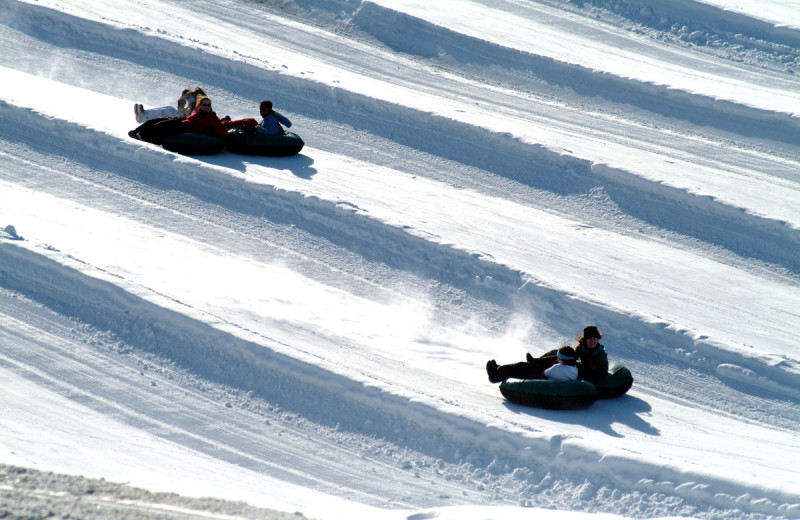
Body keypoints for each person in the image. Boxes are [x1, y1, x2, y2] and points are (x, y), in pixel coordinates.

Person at [486, 325, 608, 383]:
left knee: (522, 367)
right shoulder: (581, 347)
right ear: (585, 339)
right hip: (572, 367)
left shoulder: (600, 354)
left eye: (595, 338)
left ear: (598, 339)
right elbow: (569, 358)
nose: (593, 341)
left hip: (576, 373)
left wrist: (588, 367)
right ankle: (535, 361)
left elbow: (602, 372)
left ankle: (496, 374)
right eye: (590, 338)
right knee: (555, 352)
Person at [128, 94, 256, 144]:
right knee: (155, 121)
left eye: (208, 105)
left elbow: (223, 129)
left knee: (163, 126)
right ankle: (136, 130)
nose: (207, 107)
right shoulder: (197, 111)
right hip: (182, 120)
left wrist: (212, 131)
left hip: (187, 127)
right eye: (204, 105)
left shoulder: (213, 118)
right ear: (200, 106)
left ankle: (144, 137)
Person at [133, 87, 207, 123]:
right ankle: (143, 115)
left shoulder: (203, 106)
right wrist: (183, 97)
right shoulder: (194, 105)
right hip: (184, 121)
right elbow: (181, 109)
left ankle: (143, 117)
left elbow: (192, 117)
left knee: (169, 110)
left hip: (188, 124)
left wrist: (191, 104)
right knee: (168, 111)